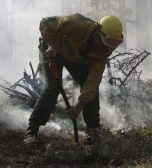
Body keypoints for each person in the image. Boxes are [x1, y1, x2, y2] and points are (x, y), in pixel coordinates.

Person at [23, 13, 123, 144]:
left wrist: (77, 108)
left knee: (91, 87)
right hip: (53, 48)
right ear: (96, 34)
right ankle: (31, 131)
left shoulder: (102, 54)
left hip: (75, 56)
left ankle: (93, 131)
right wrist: (51, 45)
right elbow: (45, 23)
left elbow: (91, 85)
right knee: (53, 88)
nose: (106, 48)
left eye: (111, 45)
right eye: (104, 43)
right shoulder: (75, 24)